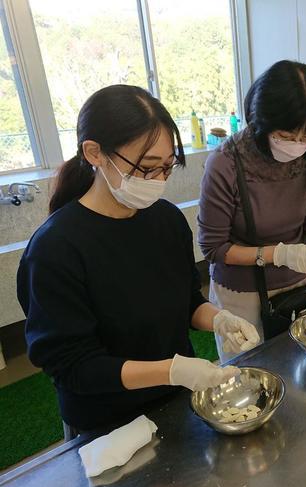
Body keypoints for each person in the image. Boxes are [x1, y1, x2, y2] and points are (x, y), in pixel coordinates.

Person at [16, 85, 259, 433]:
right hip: (106, 421)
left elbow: (187, 301)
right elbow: (75, 367)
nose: (158, 181)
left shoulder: (166, 221)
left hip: (175, 402)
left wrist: (220, 319)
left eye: (166, 168)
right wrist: (172, 370)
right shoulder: (56, 250)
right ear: (95, 153)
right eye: (146, 168)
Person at [198, 60, 306, 358]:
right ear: (262, 122)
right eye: (287, 135)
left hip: (298, 286)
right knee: (252, 380)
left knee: (302, 373)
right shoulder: (226, 163)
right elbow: (214, 247)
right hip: (241, 294)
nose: (297, 145)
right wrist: (279, 254)